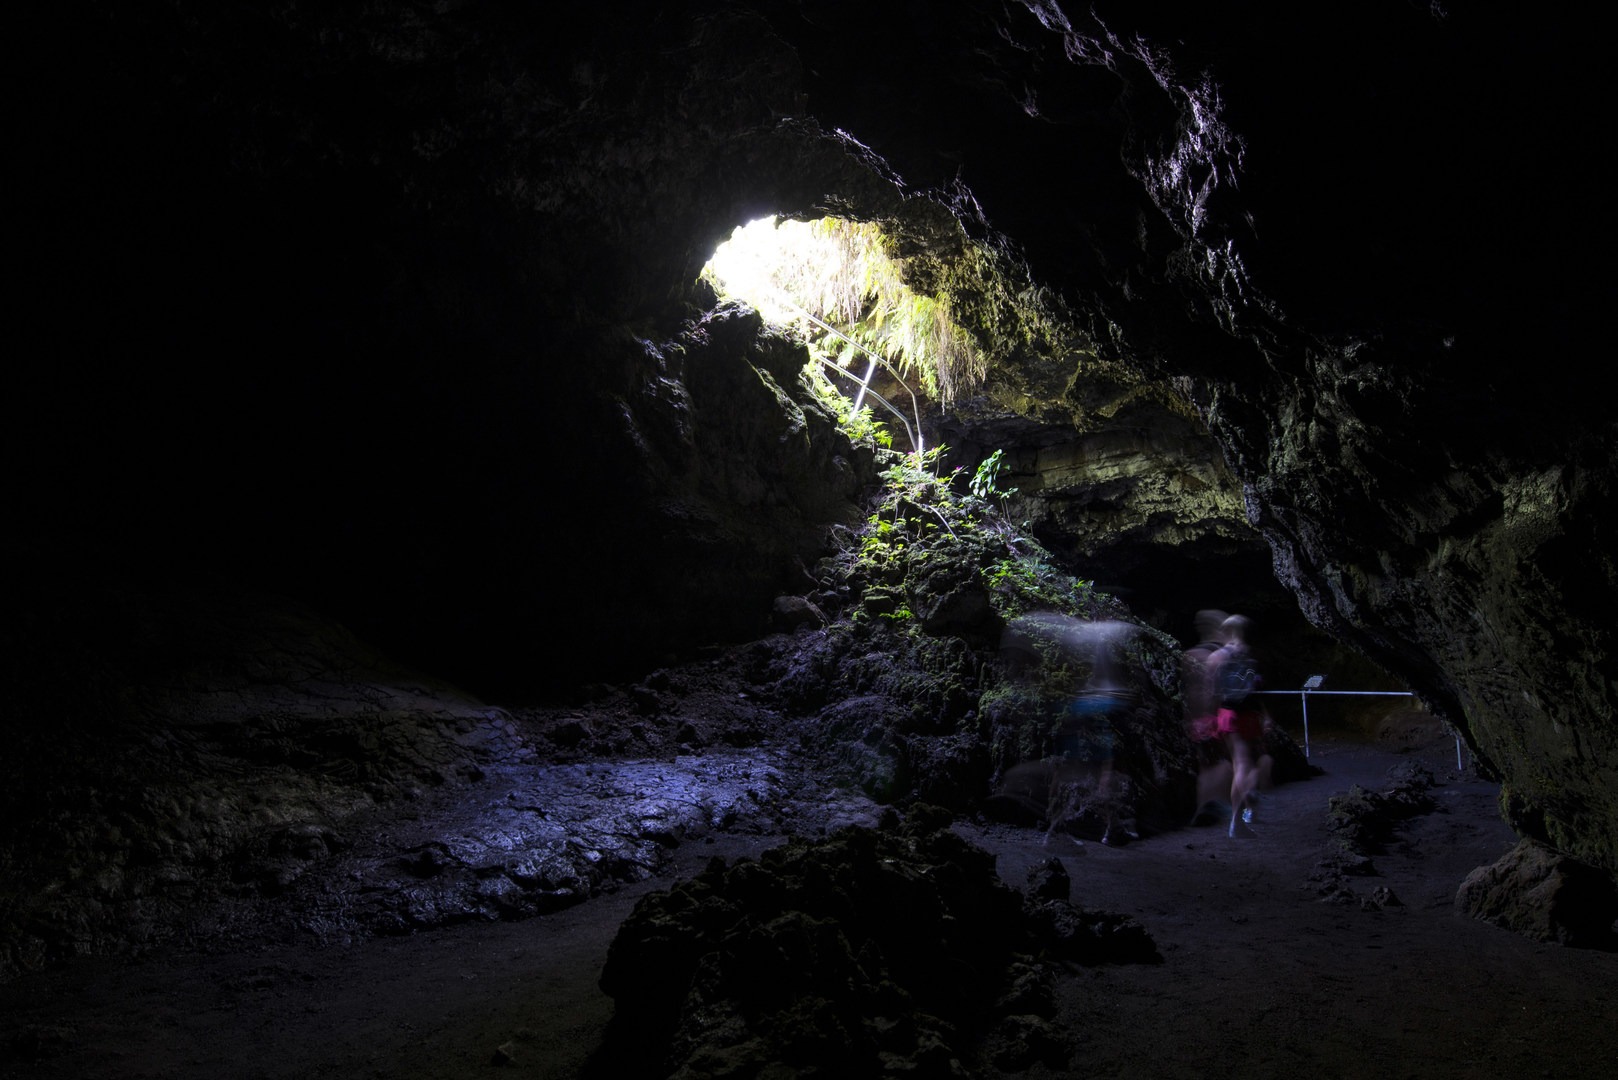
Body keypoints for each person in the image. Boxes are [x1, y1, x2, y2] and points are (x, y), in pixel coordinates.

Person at [1208, 614, 1265, 838]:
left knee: (1238, 763)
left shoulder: (1217, 656)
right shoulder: (1249, 655)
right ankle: (1238, 818)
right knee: (1244, 764)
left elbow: (1212, 691)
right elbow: (1257, 689)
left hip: (1226, 713)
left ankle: (1239, 817)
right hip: (1246, 715)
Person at [1182, 609, 1232, 824]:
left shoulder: (1190, 656)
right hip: (1217, 717)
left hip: (1196, 719)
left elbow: (1187, 691)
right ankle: (1218, 803)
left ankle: (1203, 805)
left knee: (1204, 764)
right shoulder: (1221, 657)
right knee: (1225, 762)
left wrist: (1188, 717)